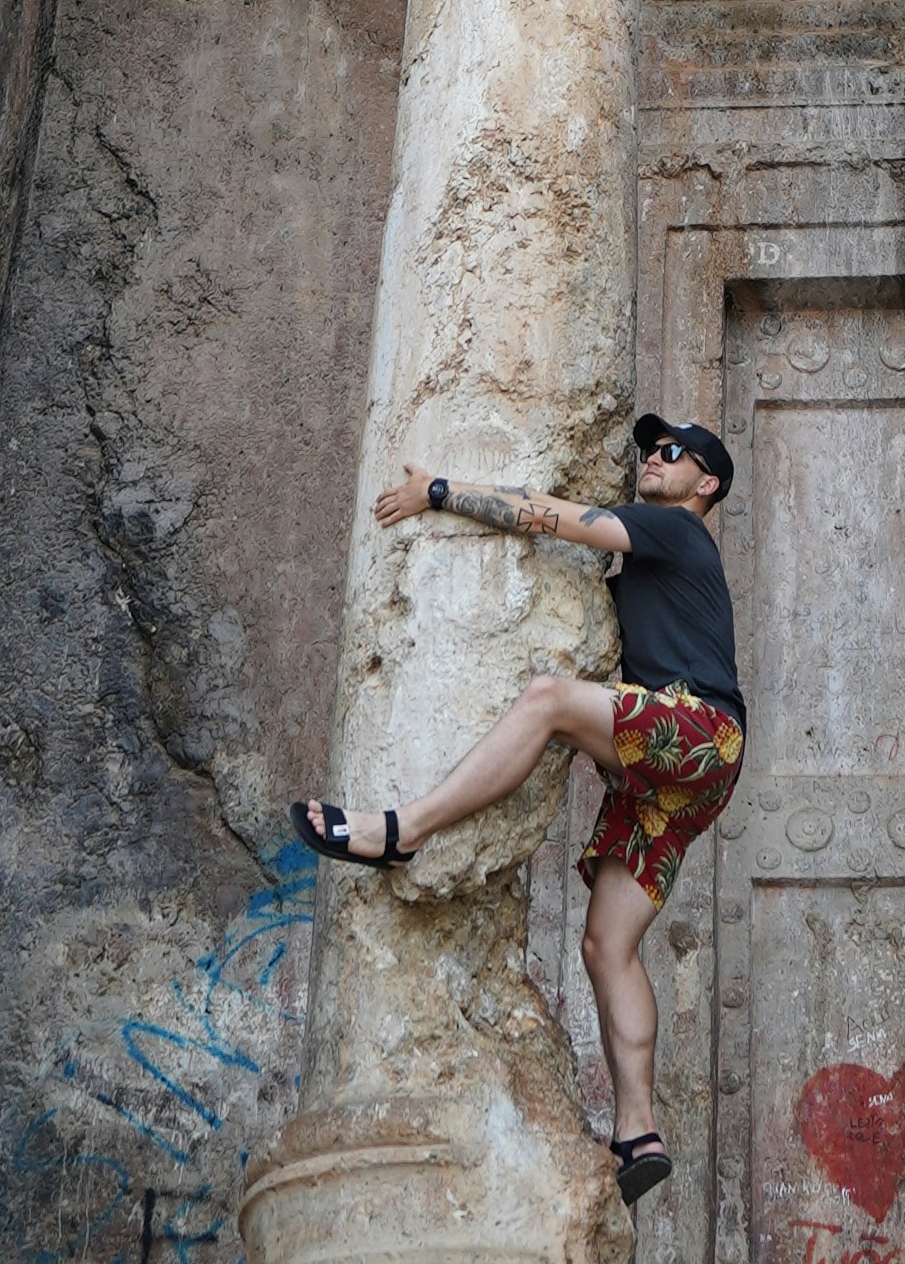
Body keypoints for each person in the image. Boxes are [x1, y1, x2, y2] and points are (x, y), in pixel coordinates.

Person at [291, 413, 745, 1209]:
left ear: (704, 484)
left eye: (670, 453)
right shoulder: (668, 541)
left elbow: (550, 515)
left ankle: (402, 829)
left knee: (546, 702)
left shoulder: (674, 530)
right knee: (607, 945)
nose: (653, 459)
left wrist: (438, 490)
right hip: (683, 776)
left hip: (698, 731)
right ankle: (639, 1132)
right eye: (649, 450)